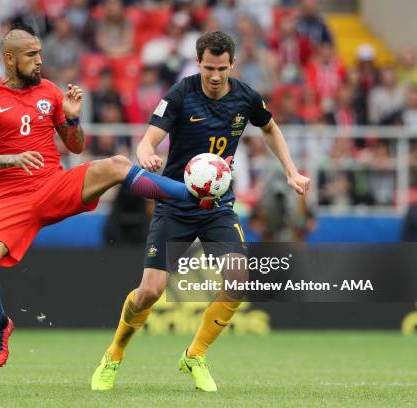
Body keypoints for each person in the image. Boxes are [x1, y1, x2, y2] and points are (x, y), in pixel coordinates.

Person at [0, 23, 204, 369]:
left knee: (117, 164)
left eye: (40, 54)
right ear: (9, 58)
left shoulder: (49, 91)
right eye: (31, 55)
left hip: (51, 185)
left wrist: (73, 120)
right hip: (9, 197)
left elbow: (76, 147)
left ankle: (191, 193)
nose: (39, 61)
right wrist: (11, 158)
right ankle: (0, 324)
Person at [91, 31, 310, 392]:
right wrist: (146, 152)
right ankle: (113, 354)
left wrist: (291, 170)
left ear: (232, 65)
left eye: (222, 68)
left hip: (218, 207)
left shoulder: (245, 96)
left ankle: (195, 354)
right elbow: (148, 138)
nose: (214, 75)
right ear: (198, 62)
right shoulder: (181, 94)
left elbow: (269, 128)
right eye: (209, 67)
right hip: (176, 204)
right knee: (150, 292)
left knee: (238, 281)